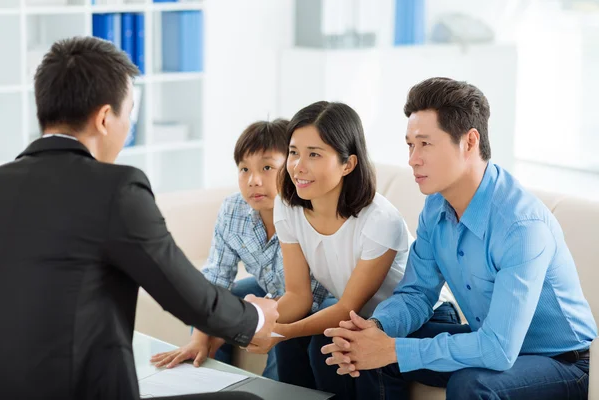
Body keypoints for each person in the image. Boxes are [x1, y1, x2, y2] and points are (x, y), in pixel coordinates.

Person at [0, 36, 277, 400]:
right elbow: (183, 291)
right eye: (128, 113)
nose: (128, 127)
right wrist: (255, 320)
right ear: (104, 118)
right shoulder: (116, 189)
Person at [322, 77, 598, 400]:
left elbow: (498, 349)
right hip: (488, 339)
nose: (412, 158)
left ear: (469, 142)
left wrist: (394, 349)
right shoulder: (434, 208)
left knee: (469, 384)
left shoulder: (522, 226)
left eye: (425, 144)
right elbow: (415, 295)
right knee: (369, 353)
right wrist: (377, 331)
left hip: (561, 364)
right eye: (410, 145)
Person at [246, 101, 455, 399]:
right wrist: (254, 320)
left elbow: (348, 307)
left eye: (314, 154)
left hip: (421, 318)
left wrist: (279, 332)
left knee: (325, 345)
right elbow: (298, 297)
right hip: (358, 319)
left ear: (348, 164)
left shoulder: (379, 220)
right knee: (301, 341)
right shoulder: (287, 206)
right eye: (293, 152)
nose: (298, 166)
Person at [150, 119, 330, 380]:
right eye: (244, 169)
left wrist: (249, 321)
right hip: (269, 292)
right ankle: (209, 381)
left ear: (292, 167)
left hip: (317, 300)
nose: (254, 180)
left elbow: (306, 298)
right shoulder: (233, 210)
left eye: (267, 167)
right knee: (219, 305)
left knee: (281, 342)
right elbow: (214, 280)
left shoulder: (306, 212)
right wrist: (202, 336)